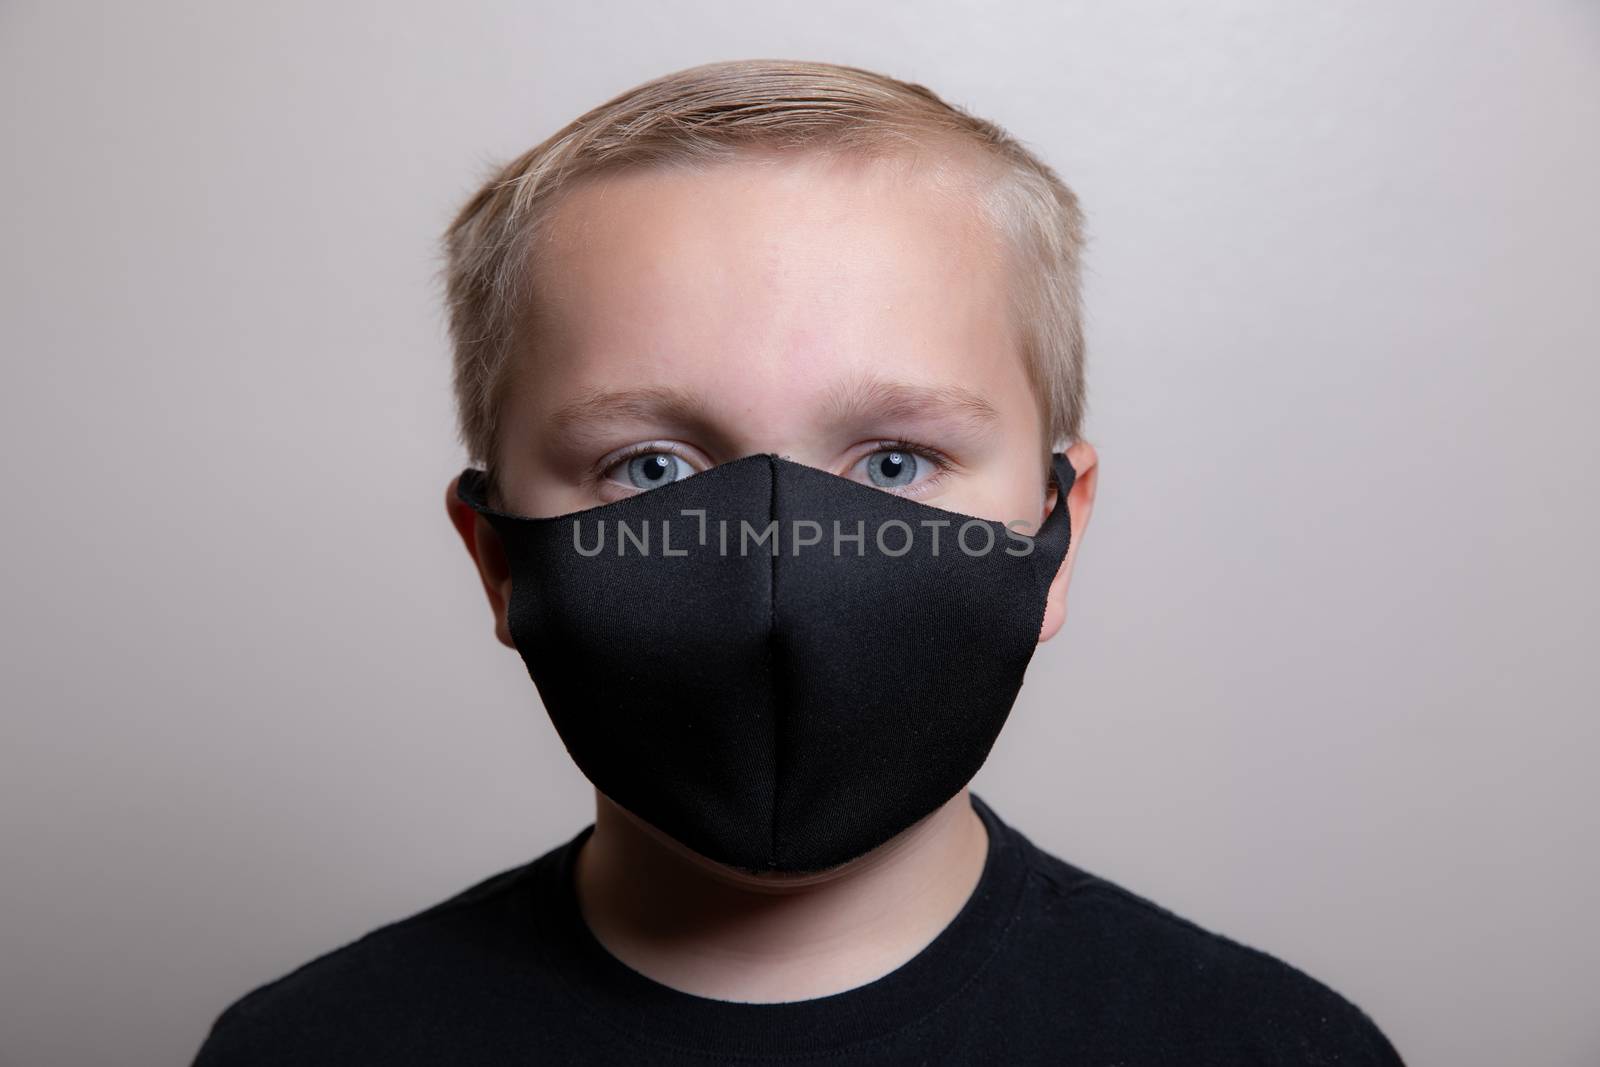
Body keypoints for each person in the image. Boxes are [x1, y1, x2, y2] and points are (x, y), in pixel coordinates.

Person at [191, 58, 1404, 1065]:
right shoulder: (305, 1049)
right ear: (500, 561)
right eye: (653, 469)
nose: (776, 564)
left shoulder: (1270, 1049)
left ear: (1056, 533)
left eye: (892, 462)